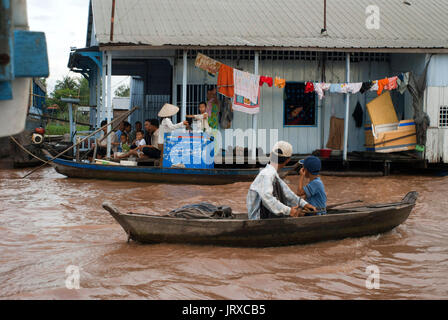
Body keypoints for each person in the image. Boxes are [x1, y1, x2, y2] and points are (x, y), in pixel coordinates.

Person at [246, 141, 316, 220]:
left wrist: (304, 204)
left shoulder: (272, 174)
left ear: (271, 155)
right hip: (258, 219)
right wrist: (290, 211)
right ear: (287, 160)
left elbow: (287, 193)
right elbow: (267, 199)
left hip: (265, 216)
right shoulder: (266, 174)